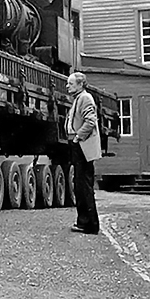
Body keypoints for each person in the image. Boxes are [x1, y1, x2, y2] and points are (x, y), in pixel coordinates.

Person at [66, 71, 102, 234]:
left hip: (82, 146)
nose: (67, 86)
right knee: (79, 185)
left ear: (80, 84)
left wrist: (77, 137)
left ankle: (89, 224)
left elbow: (90, 121)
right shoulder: (78, 98)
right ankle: (84, 222)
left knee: (83, 186)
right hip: (79, 145)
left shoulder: (85, 98)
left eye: (71, 83)